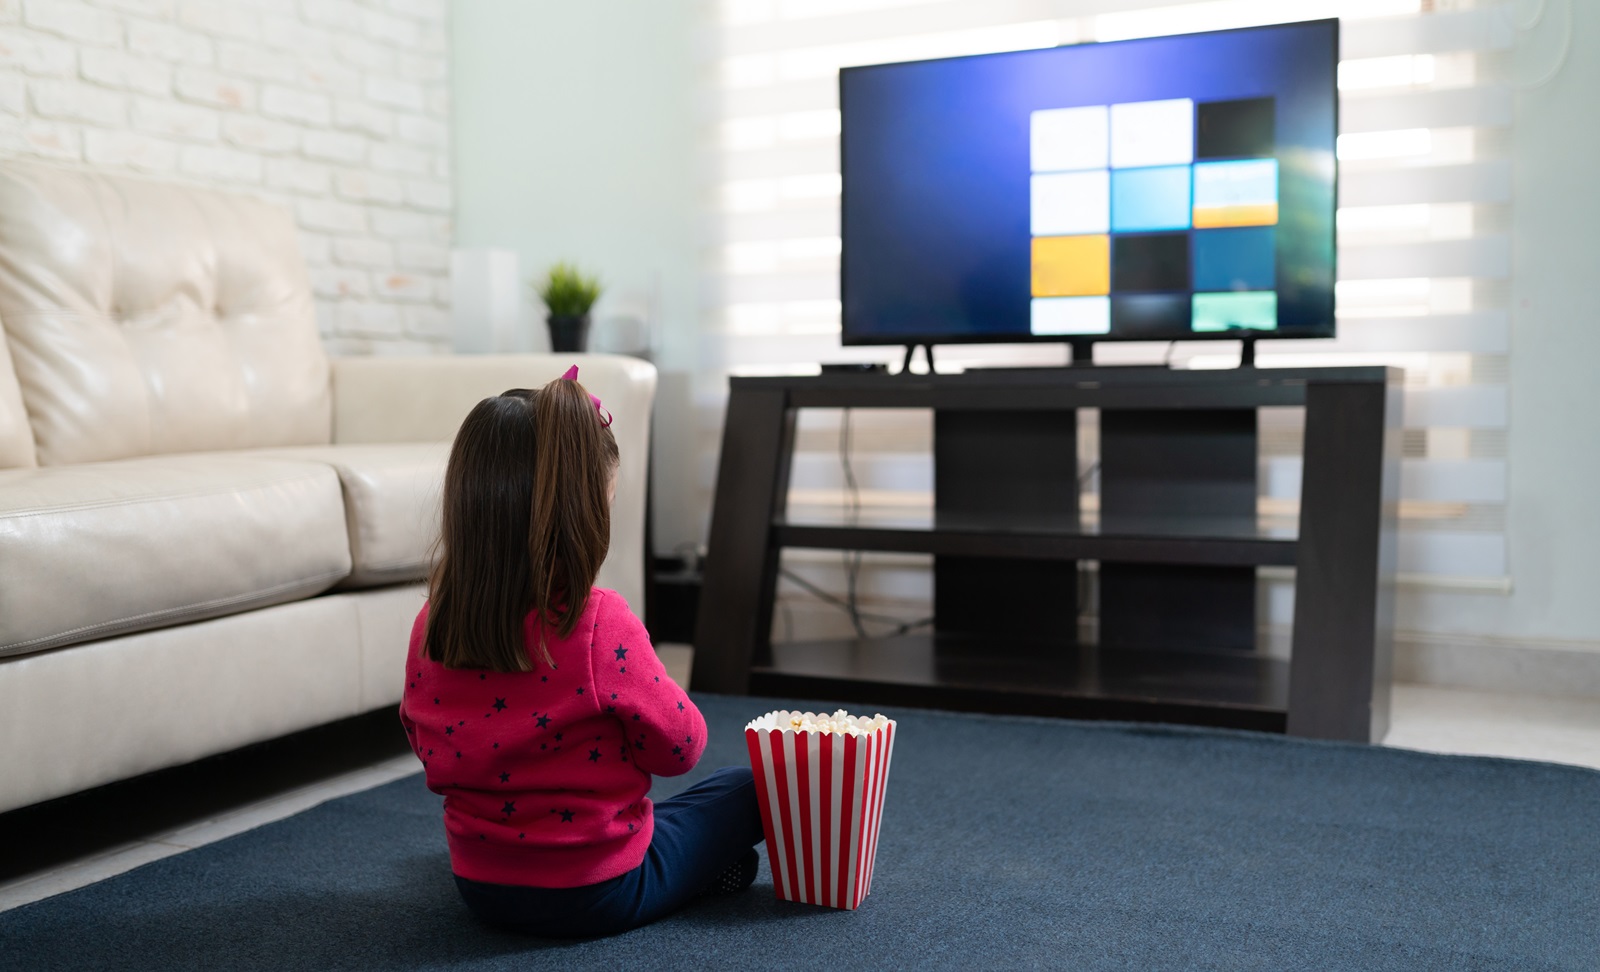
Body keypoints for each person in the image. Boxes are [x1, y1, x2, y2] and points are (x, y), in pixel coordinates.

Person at [399, 367, 764, 938]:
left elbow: (428, 749)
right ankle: (695, 874)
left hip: (480, 887)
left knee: (671, 825)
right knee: (750, 787)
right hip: (598, 891)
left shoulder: (432, 624)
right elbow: (681, 749)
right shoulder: (600, 622)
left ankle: (695, 869)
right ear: (581, 519)